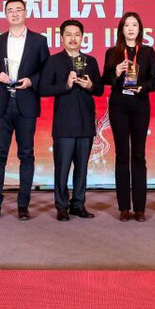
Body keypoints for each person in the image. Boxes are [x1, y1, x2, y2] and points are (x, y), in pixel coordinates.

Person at [0, 0, 51, 221]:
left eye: (18, 10)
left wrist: (32, 81)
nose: (14, 14)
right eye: (10, 10)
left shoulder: (39, 41)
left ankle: (23, 204)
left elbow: (46, 70)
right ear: (5, 15)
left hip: (26, 103)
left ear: (25, 13)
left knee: (26, 154)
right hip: (2, 104)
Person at [38, 19, 104, 221]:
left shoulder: (90, 61)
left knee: (82, 168)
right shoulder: (53, 61)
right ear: (62, 38)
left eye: (77, 34)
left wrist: (90, 85)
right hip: (64, 124)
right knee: (62, 167)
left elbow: (100, 90)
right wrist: (66, 85)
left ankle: (78, 204)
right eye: (68, 34)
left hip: (86, 122)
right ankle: (61, 206)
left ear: (82, 37)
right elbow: (43, 89)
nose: (73, 38)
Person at [102, 12, 155, 221]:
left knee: (139, 156)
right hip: (119, 106)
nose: (131, 28)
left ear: (140, 28)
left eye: (134, 25)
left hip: (140, 105)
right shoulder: (113, 52)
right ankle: (124, 207)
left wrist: (142, 87)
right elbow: (105, 79)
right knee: (122, 155)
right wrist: (116, 72)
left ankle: (140, 208)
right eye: (127, 25)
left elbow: (153, 81)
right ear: (122, 29)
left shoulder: (148, 52)